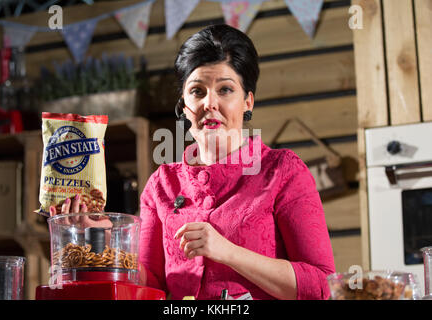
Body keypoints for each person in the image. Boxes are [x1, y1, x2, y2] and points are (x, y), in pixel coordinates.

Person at [53, 24, 335, 300]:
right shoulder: (161, 185)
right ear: (184, 105)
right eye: (197, 91)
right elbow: (149, 284)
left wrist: (227, 251)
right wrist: (99, 240)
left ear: (248, 101)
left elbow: (321, 286)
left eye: (225, 90)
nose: (209, 103)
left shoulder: (282, 170)